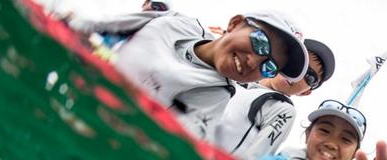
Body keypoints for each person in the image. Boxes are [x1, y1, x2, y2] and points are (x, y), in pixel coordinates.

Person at [68, 10, 309, 141]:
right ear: (235, 23)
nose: (254, 60)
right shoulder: (175, 23)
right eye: (260, 43)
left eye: (268, 66)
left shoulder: (214, 96)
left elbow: (172, 143)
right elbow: (89, 25)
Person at [213, 39, 336, 160]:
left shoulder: (283, 109)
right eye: (298, 62)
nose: (299, 73)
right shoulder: (235, 78)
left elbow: (255, 159)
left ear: (306, 92)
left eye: (309, 77)